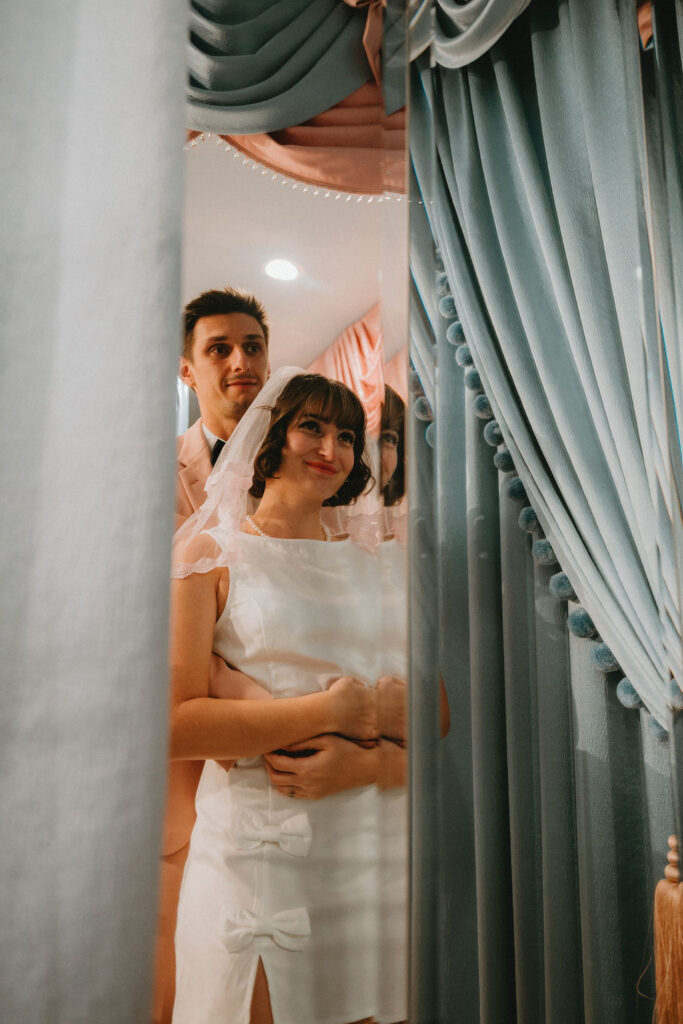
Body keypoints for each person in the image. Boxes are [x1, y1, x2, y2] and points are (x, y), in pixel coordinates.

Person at [169, 370, 406, 1024]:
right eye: (312, 427)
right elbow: (175, 726)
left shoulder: (379, 563)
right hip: (258, 856)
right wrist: (332, 711)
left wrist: (369, 761)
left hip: (372, 852)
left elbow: (435, 712)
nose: (332, 447)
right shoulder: (208, 555)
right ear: (269, 437)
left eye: (347, 436)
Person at [153, 287, 271, 1024]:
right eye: (219, 348)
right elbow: (154, 617)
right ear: (187, 369)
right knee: (174, 972)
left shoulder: (311, 470)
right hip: (190, 759)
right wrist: (267, 710)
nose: (239, 361)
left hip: (285, 776)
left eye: (252, 346)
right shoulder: (156, 472)